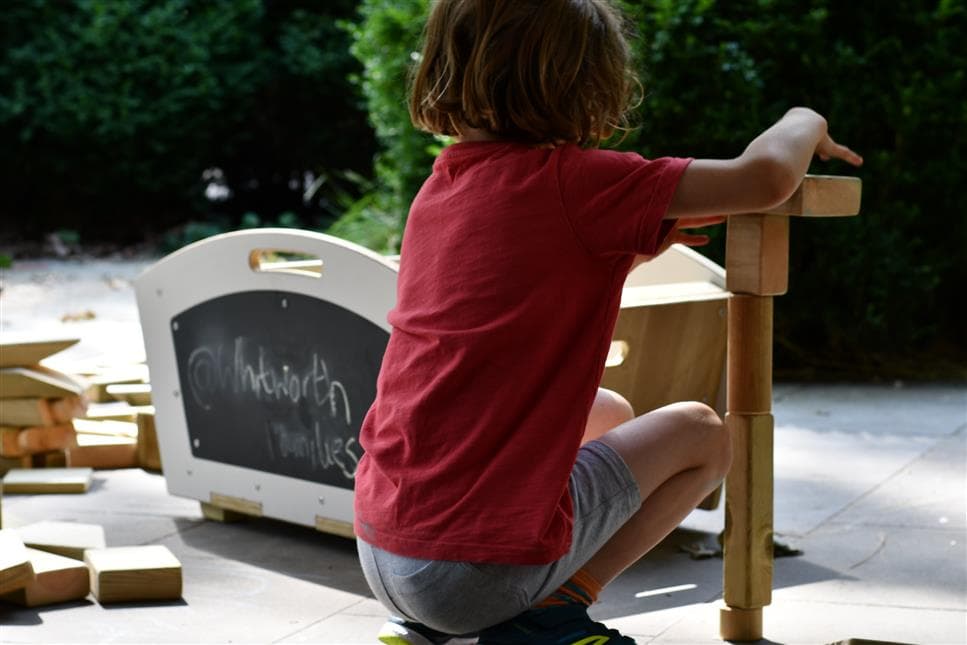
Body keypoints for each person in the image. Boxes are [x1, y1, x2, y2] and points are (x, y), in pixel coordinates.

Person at [353, 1, 863, 643]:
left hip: (386, 554)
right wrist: (805, 117)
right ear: (586, 82)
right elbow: (760, 178)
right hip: (471, 576)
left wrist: (636, 234)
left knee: (609, 412)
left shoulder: (445, 185)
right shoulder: (580, 182)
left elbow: (531, 286)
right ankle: (553, 616)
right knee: (704, 435)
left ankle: (433, 628)